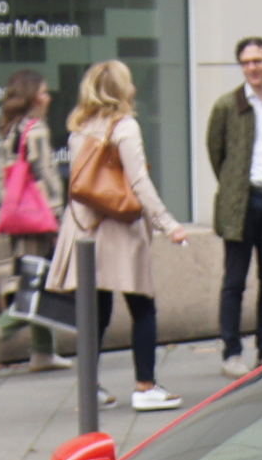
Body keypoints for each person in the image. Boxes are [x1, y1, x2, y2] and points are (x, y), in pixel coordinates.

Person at [49, 60, 191, 412]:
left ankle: (90, 386)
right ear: (122, 90)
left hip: (86, 225)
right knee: (142, 305)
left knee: (96, 311)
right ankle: (145, 386)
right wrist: (168, 223)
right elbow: (138, 181)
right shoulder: (125, 126)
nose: (135, 89)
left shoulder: (79, 128)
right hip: (120, 226)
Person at [204, 37, 262, 377]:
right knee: (234, 281)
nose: (252, 68)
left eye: (258, 61)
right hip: (240, 202)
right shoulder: (227, 106)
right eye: (246, 63)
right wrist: (232, 187)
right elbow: (217, 153)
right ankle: (231, 350)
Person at [0, 69, 62, 370]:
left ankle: (43, 352)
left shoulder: (9, 130)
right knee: (35, 285)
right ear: (32, 97)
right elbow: (45, 175)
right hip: (38, 221)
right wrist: (58, 216)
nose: (48, 97)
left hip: (14, 219)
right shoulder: (37, 130)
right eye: (44, 92)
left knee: (35, 280)